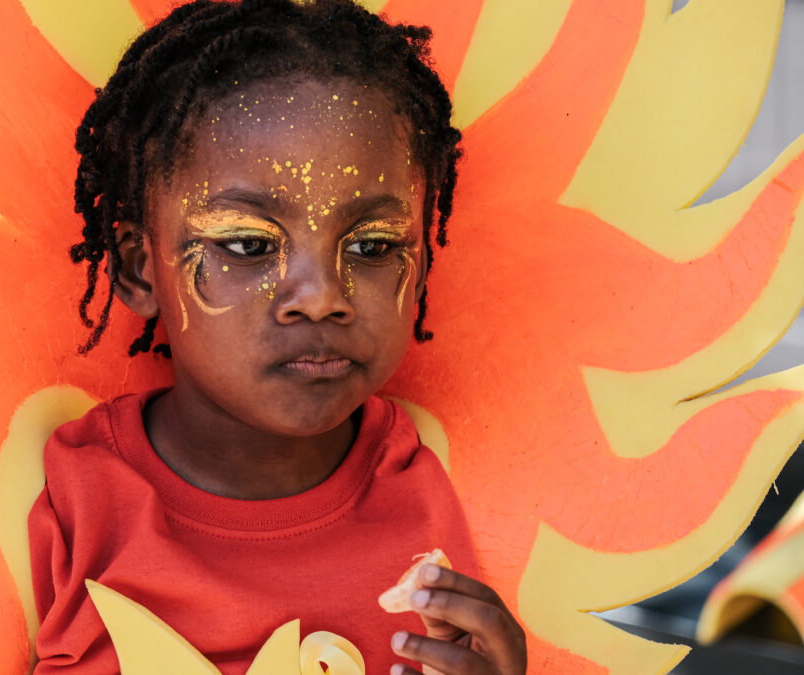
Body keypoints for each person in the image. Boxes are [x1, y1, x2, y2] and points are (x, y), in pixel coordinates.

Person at [29, 0, 527, 672]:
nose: (322, 296)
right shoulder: (74, 502)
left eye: (373, 246)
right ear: (139, 268)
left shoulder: (422, 511)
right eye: (247, 244)